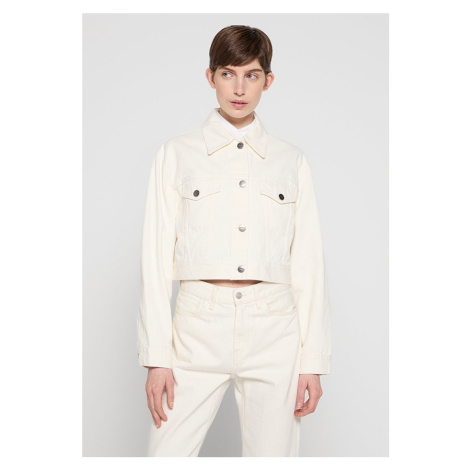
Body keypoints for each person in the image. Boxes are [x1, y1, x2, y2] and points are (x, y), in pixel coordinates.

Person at [137, 24, 331, 457]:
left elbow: (309, 264)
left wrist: (312, 361)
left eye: (252, 75)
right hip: (196, 329)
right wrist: (157, 356)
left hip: (274, 330)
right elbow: (154, 258)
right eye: (228, 74)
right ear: (210, 77)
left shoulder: (291, 161)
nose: (239, 88)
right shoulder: (176, 154)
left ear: (268, 81)